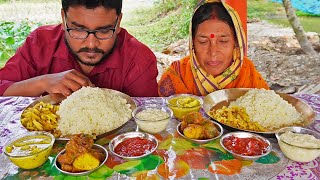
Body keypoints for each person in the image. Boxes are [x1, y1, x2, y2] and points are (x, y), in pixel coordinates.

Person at [0, 0, 158, 97]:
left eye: (104, 31)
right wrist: (42, 82)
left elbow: (146, 117)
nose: (91, 44)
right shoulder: (39, 43)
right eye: (79, 30)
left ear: (118, 23)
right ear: (63, 19)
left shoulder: (138, 59)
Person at [158, 0, 269, 97]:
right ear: (192, 44)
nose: (213, 53)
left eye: (223, 41)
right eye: (203, 42)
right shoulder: (177, 75)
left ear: (236, 42)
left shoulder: (248, 73)